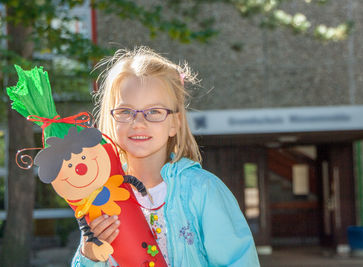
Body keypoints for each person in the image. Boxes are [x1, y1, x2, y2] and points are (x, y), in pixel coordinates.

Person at [71, 47, 260, 266]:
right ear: (111, 120)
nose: (139, 122)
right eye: (125, 112)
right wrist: (90, 256)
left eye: (154, 112)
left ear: (175, 123)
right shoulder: (102, 196)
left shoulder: (203, 191)